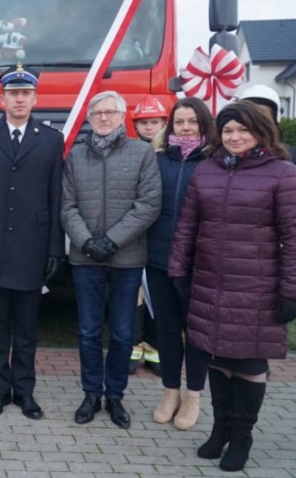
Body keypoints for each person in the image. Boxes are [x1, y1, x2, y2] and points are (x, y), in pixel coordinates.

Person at [168, 100, 296, 472]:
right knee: (215, 357)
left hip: (256, 286)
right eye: (228, 130)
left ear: (261, 132)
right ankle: (219, 430)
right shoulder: (207, 170)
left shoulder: (282, 173)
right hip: (210, 281)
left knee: (247, 361)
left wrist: (292, 291)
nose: (234, 137)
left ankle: (242, 435)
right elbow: (187, 225)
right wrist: (178, 269)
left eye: (242, 130)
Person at [0, 66, 64, 418]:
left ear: (35, 99)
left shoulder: (51, 140)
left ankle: (25, 392)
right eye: (13, 94)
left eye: (26, 94)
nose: (19, 99)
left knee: (26, 329)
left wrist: (55, 248)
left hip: (32, 247)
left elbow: (55, 198)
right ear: (2, 98)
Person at [60, 90, 161, 429]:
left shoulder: (142, 153)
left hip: (127, 258)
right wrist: (87, 242)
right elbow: (67, 205)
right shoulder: (75, 157)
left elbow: (148, 205)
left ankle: (115, 395)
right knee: (88, 332)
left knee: (120, 334)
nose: (103, 118)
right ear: (88, 119)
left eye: (110, 112)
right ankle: (91, 393)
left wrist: (112, 240)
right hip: (85, 258)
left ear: (122, 116)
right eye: (97, 113)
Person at [146, 97, 216, 431]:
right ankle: (170, 392)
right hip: (159, 258)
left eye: (192, 121)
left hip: (198, 263)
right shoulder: (158, 159)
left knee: (196, 332)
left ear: (203, 124)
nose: (185, 128)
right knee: (168, 330)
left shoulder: (216, 161)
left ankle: (193, 395)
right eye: (179, 122)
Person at [129, 95, 168, 376]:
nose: (149, 127)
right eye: (143, 123)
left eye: (154, 122)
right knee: (134, 295)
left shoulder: (169, 156)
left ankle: (155, 349)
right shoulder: (131, 154)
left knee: (159, 294)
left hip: (160, 237)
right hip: (134, 235)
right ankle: (133, 347)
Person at [233, 84, 296, 171]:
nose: (256, 120)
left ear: (274, 119)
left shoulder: (288, 154)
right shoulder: (227, 155)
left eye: (262, 114)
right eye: (250, 114)